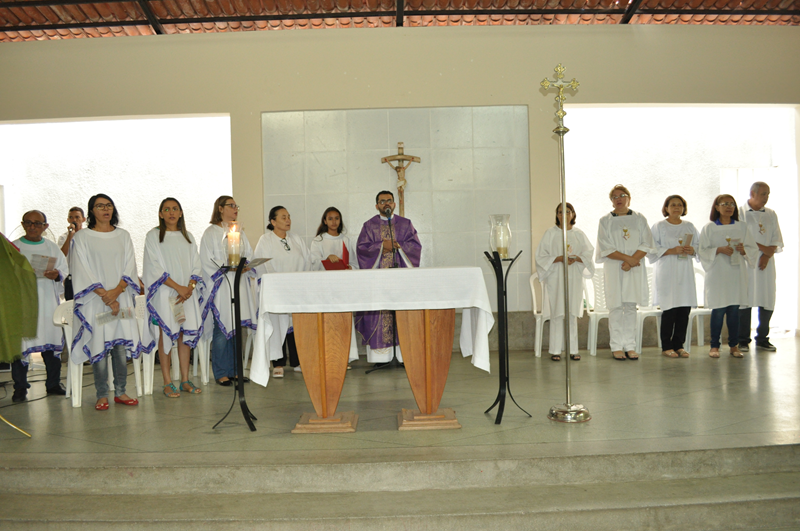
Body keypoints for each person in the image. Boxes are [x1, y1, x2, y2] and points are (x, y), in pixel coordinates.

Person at [70, 194, 147, 410]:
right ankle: (102, 394)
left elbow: (129, 266)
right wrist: (105, 295)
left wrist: (116, 292)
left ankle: (121, 391)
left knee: (120, 346)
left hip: (120, 299)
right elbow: (82, 269)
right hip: (96, 300)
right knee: (99, 347)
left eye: (109, 205)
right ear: (91, 211)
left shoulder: (123, 236)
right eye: (100, 206)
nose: (106, 209)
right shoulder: (82, 237)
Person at [143, 198, 204, 398]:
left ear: (180, 213)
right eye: (166, 209)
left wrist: (190, 287)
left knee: (183, 335)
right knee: (166, 334)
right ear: (161, 214)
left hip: (186, 295)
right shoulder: (153, 237)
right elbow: (154, 266)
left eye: (175, 209)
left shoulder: (188, 237)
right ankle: (168, 382)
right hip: (165, 293)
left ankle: (185, 379)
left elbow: (196, 263)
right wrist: (178, 287)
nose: (171, 212)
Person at [355, 190, 422, 364]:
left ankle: (402, 355)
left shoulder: (406, 224)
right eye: (382, 201)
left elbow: (415, 246)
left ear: (394, 204)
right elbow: (361, 248)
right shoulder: (369, 226)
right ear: (377, 205)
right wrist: (380, 247)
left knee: (400, 312)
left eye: (389, 201)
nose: (386, 204)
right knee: (380, 312)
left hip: (400, 280)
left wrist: (398, 246)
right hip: (378, 280)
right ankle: (381, 357)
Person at [11, 210, 69, 401]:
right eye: (28, 223)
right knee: (21, 346)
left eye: (37, 223)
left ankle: (52, 384)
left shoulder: (52, 248)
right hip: (22, 305)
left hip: (47, 304)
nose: (33, 227)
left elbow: (64, 269)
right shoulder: (14, 247)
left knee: (50, 344)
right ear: (23, 224)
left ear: (46, 226)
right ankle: (20, 387)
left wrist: (57, 274)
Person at [199, 195, 257, 387]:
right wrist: (225, 269)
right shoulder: (211, 232)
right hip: (221, 286)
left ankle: (235, 371)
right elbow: (206, 261)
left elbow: (247, 253)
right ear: (220, 209)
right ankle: (221, 372)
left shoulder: (239, 232)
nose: (235, 209)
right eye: (231, 206)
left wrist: (246, 265)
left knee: (237, 329)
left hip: (238, 283)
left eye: (236, 206)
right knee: (222, 329)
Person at [595, 185, 655, 361]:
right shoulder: (605, 220)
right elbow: (605, 247)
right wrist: (628, 260)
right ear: (611, 200)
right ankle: (616, 346)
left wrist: (632, 260)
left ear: (629, 198)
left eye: (622, 195)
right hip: (615, 267)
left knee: (630, 306)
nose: (618, 199)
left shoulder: (639, 218)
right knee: (615, 306)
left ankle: (630, 345)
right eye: (614, 196)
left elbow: (647, 243)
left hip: (633, 267)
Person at [253, 206, 310, 378]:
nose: (288, 220)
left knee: (295, 323)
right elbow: (262, 263)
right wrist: (276, 282)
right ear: (273, 221)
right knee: (278, 322)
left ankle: (298, 360)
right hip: (277, 288)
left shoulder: (296, 239)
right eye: (283, 217)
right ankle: (278, 362)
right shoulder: (265, 240)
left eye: (289, 216)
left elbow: (307, 260)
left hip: (296, 287)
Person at [698, 194, 757, 358]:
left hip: (736, 274)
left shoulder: (742, 227)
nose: (729, 206)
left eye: (732, 204)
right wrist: (718, 249)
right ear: (716, 207)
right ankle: (714, 346)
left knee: (734, 311)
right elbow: (701, 250)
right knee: (718, 311)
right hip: (717, 274)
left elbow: (752, 248)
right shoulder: (709, 228)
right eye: (724, 204)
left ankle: (734, 345)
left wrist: (744, 250)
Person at [534, 203, 594, 362]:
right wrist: (558, 258)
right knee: (557, 313)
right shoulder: (550, 233)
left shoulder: (579, 234)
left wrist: (577, 258)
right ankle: (555, 350)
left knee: (571, 313)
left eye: (567, 211)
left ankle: (573, 349)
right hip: (556, 277)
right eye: (560, 212)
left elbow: (588, 254)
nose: (564, 214)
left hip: (574, 276)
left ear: (573, 214)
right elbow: (540, 256)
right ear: (557, 215)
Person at [649, 195, 701, 358]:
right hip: (667, 272)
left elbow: (699, 246)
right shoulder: (659, 226)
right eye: (672, 205)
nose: (676, 208)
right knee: (669, 310)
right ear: (666, 208)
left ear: (684, 208)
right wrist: (671, 250)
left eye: (680, 205)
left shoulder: (689, 226)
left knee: (683, 310)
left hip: (684, 272)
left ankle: (679, 345)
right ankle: (666, 346)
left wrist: (692, 250)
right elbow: (651, 248)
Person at [738, 182, 783, 352]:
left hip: (766, 264)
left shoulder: (771, 214)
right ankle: (743, 339)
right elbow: (741, 238)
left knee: (767, 297)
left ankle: (763, 338)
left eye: (768, 194)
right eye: (763, 194)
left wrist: (766, 256)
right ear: (752, 193)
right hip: (747, 262)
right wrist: (763, 250)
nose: (766, 198)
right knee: (746, 299)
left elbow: (777, 239)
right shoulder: (741, 213)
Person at [310, 207, 358, 271]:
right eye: (330, 219)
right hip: (324, 279)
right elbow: (313, 264)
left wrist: (350, 268)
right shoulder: (318, 240)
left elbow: (354, 264)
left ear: (340, 220)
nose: (334, 221)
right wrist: (327, 259)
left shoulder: (345, 240)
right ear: (325, 221)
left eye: (337, 218)